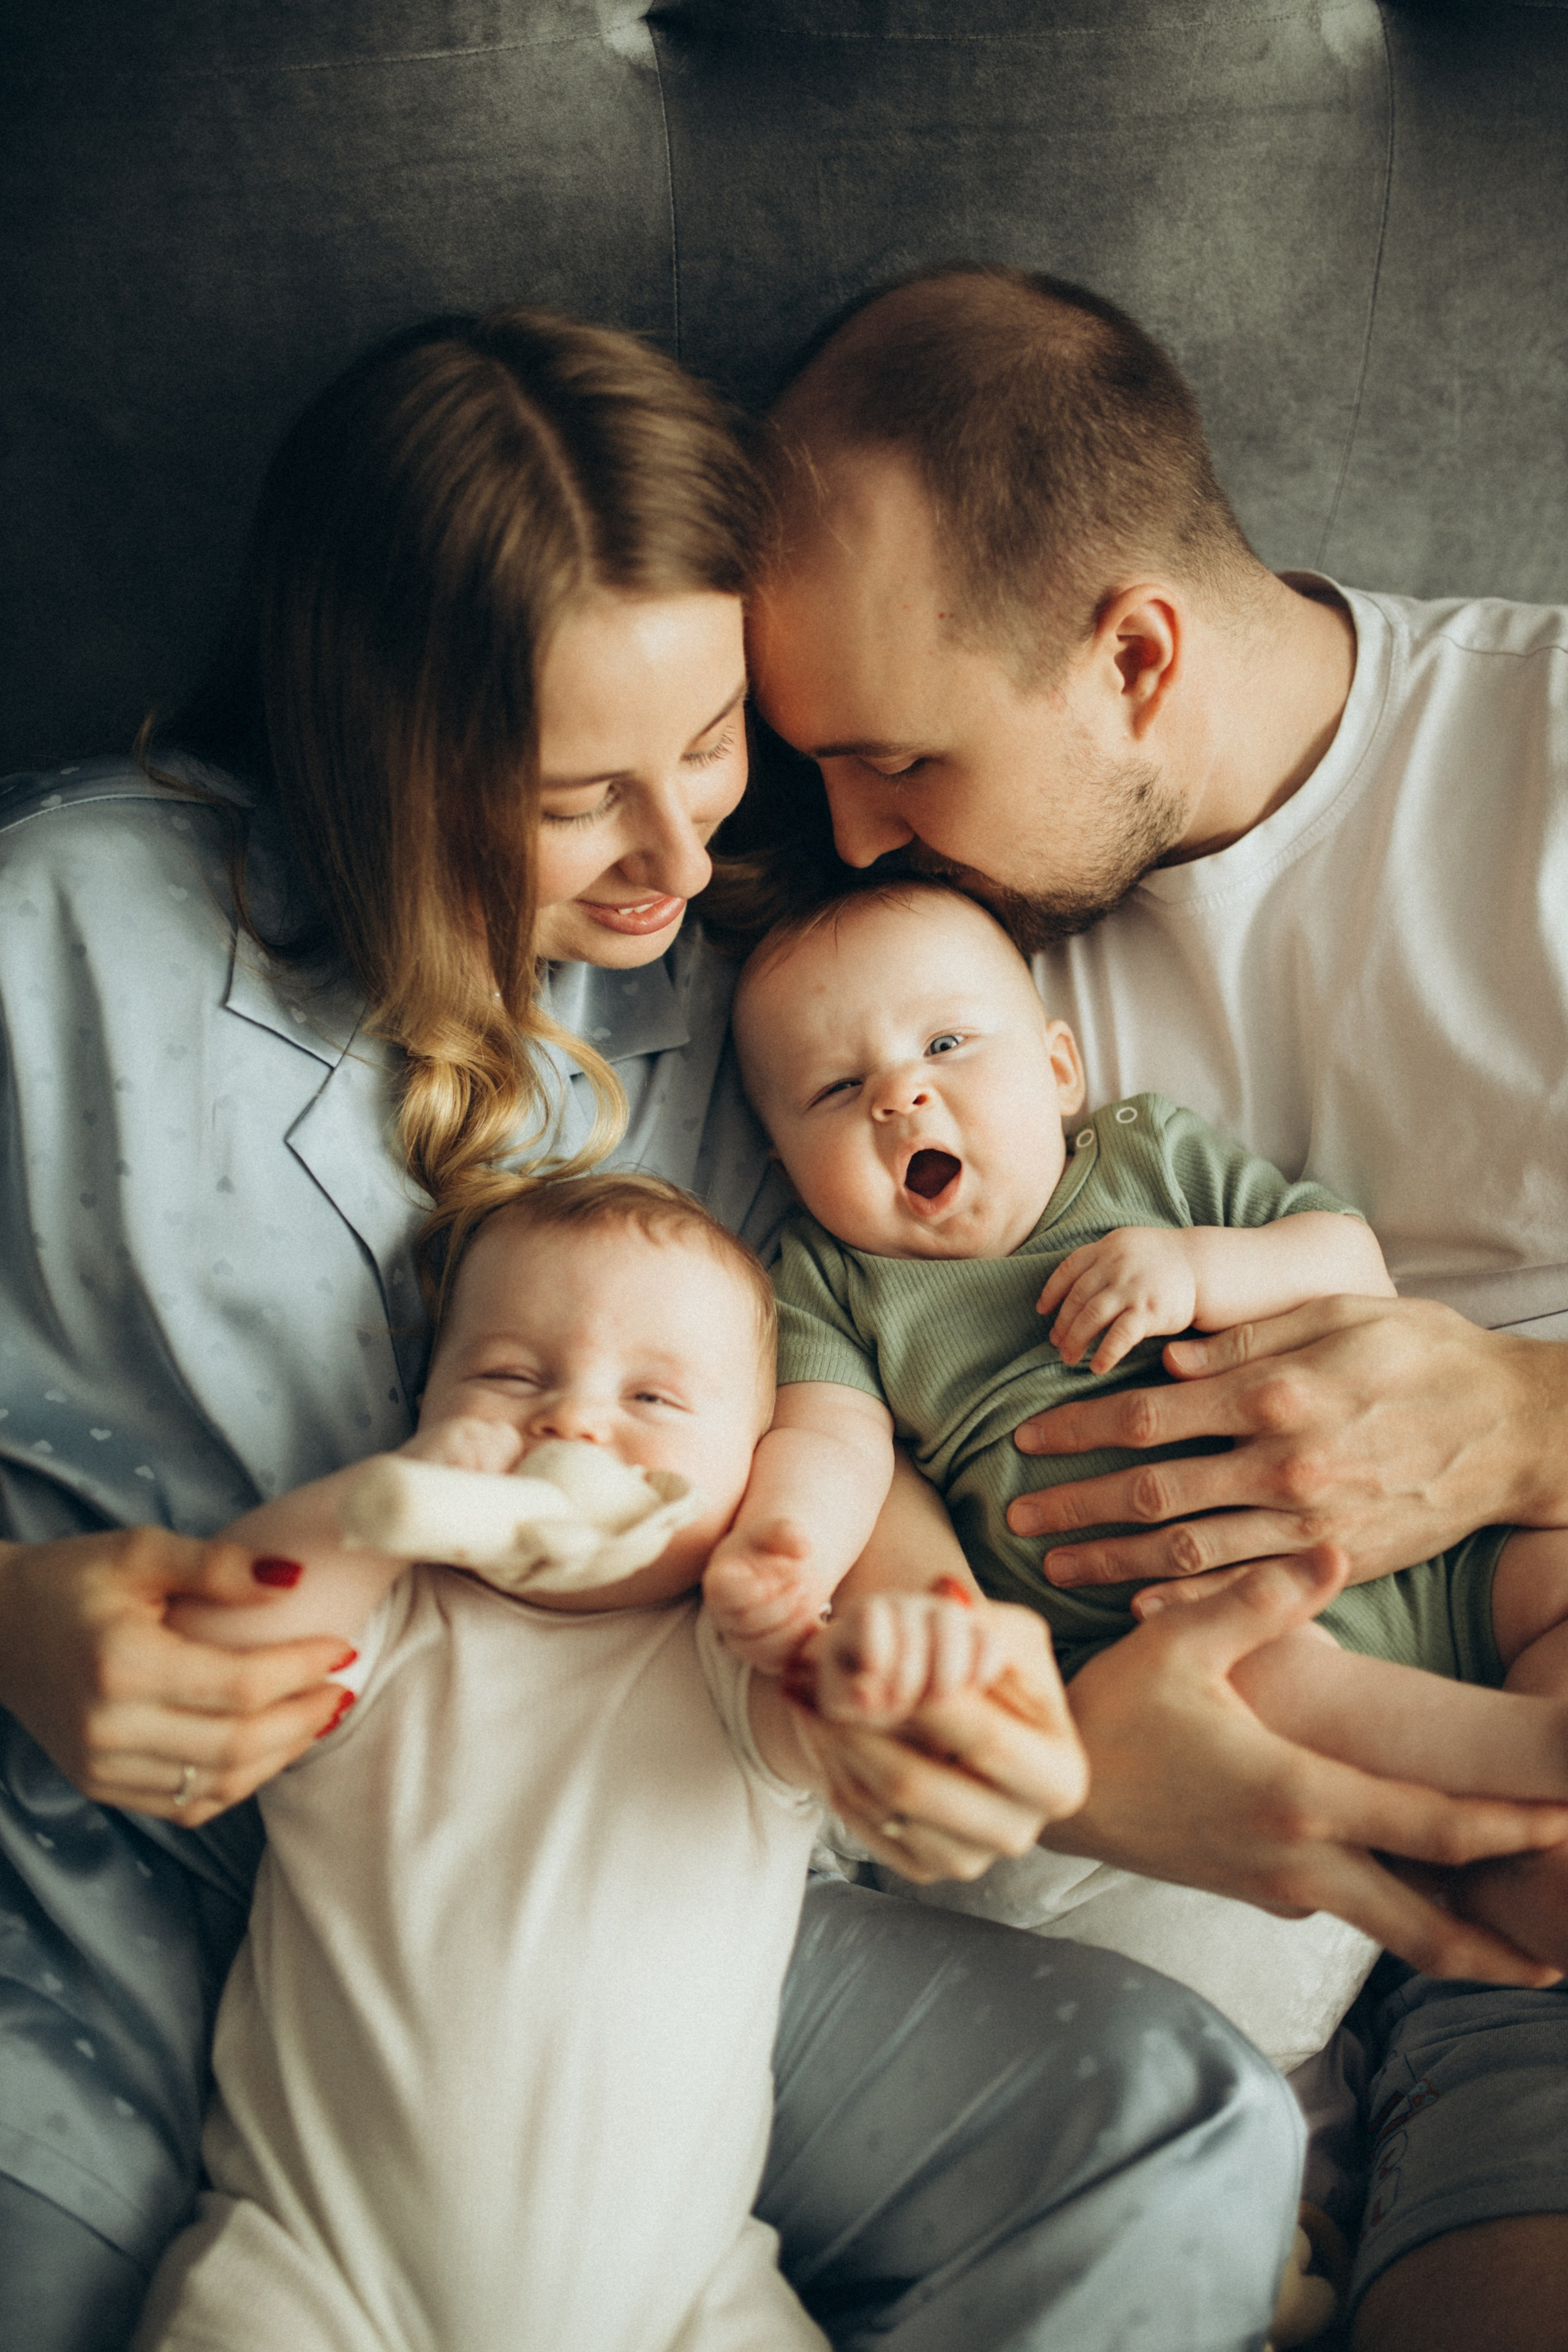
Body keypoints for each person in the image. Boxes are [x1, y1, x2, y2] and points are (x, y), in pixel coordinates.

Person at [0, 302, 1309, 2352]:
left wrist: (924, 1672)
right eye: (575, 794)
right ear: (378, 743)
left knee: (1178, 2129)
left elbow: (843, 1392)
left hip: (629, 1886)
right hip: (101, 1906)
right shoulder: (57, 932)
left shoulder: (762, 996)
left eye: (712, 744)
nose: (684, 852)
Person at [746, 261, 1568, 2351]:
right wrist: (1043, 1740)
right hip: (1137, 1887)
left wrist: (1528, 1420)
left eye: (897, 762)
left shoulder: (1545, 763)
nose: (843, 838)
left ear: (1134, 653)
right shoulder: (901, 988)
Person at [135, 1172, 1052, 2352]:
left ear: (750, 1467)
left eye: (657, 1397)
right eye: (508, 1377)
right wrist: (376, 1510)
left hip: (685, 2300)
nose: (570, 1422)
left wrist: (903, 1652)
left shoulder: (734, 1674)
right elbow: (224, 1633)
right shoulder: (391, 1625)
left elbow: (856, 1715)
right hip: (315, 2274)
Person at [719, 876, 1568, 1979]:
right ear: (783, 1163)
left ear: (1059, 1068)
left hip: (1440, 1558)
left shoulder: (1148, 1157)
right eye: (837, 1089)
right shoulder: (833, 1285)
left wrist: (1203, 1266)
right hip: (1194, 1628)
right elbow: (834, 1444)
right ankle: (1528, 1783)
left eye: (945, 1042)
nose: (901, 1097)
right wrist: (784, 1543)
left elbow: (1352, 1264)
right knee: (1291, 1685)